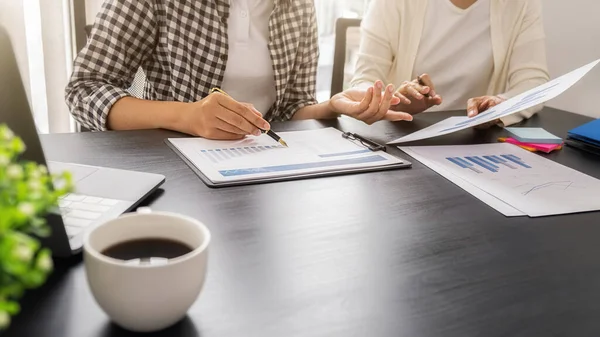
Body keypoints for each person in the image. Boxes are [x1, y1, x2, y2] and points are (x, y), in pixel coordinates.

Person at [65, 0, 415, 140]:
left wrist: (332, 106)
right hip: (176, 170)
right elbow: (84, 88)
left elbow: (292, 107)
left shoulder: (298, 5)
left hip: (263, 169)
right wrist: (188, 117)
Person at [350, 0, 550, 127]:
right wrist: (390, 101)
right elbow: (364, 79)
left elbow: (534, 81)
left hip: (472, 142)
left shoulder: (521, 4)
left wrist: (499, 105)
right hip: (399, 135)